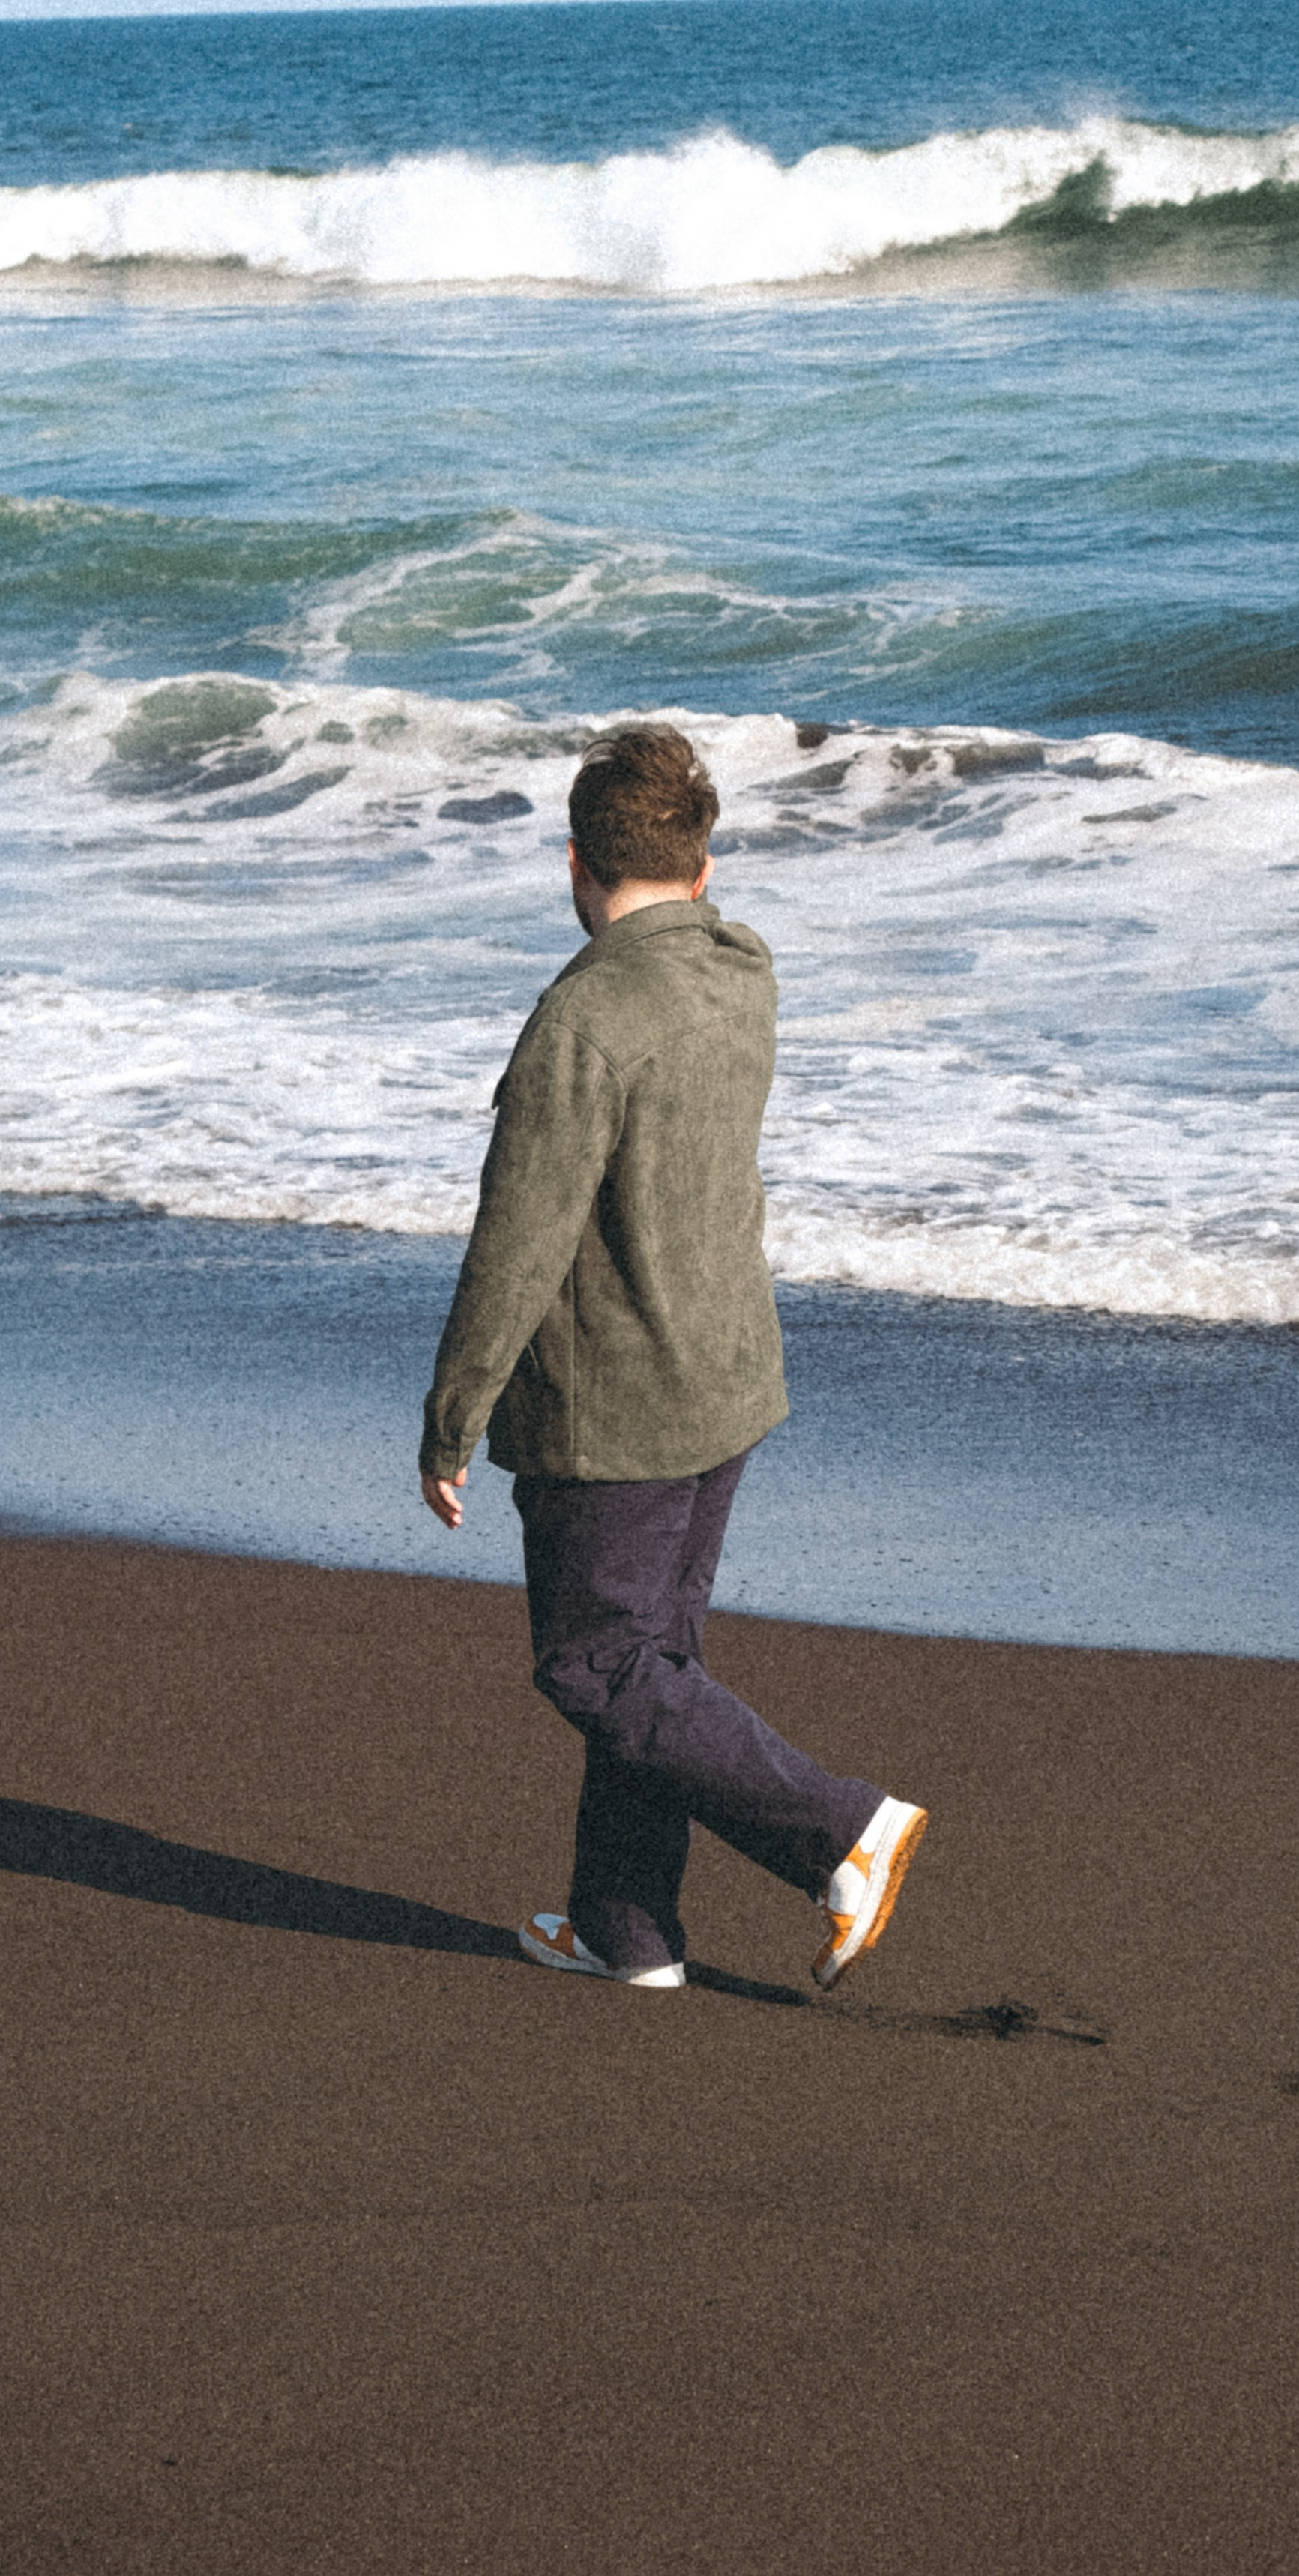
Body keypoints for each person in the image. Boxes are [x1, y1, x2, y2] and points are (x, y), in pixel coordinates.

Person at [418, 721, 926, 1993]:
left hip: (624, 1404)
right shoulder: (740, 971)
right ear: (701, 868)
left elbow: (518, 1241)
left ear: (578, 865)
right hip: (727, 1374)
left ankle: (841, 1829)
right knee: (656, 1660)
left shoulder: (585, 1019)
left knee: (597, 1665)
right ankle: (624, 1929)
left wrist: (452, 1419)